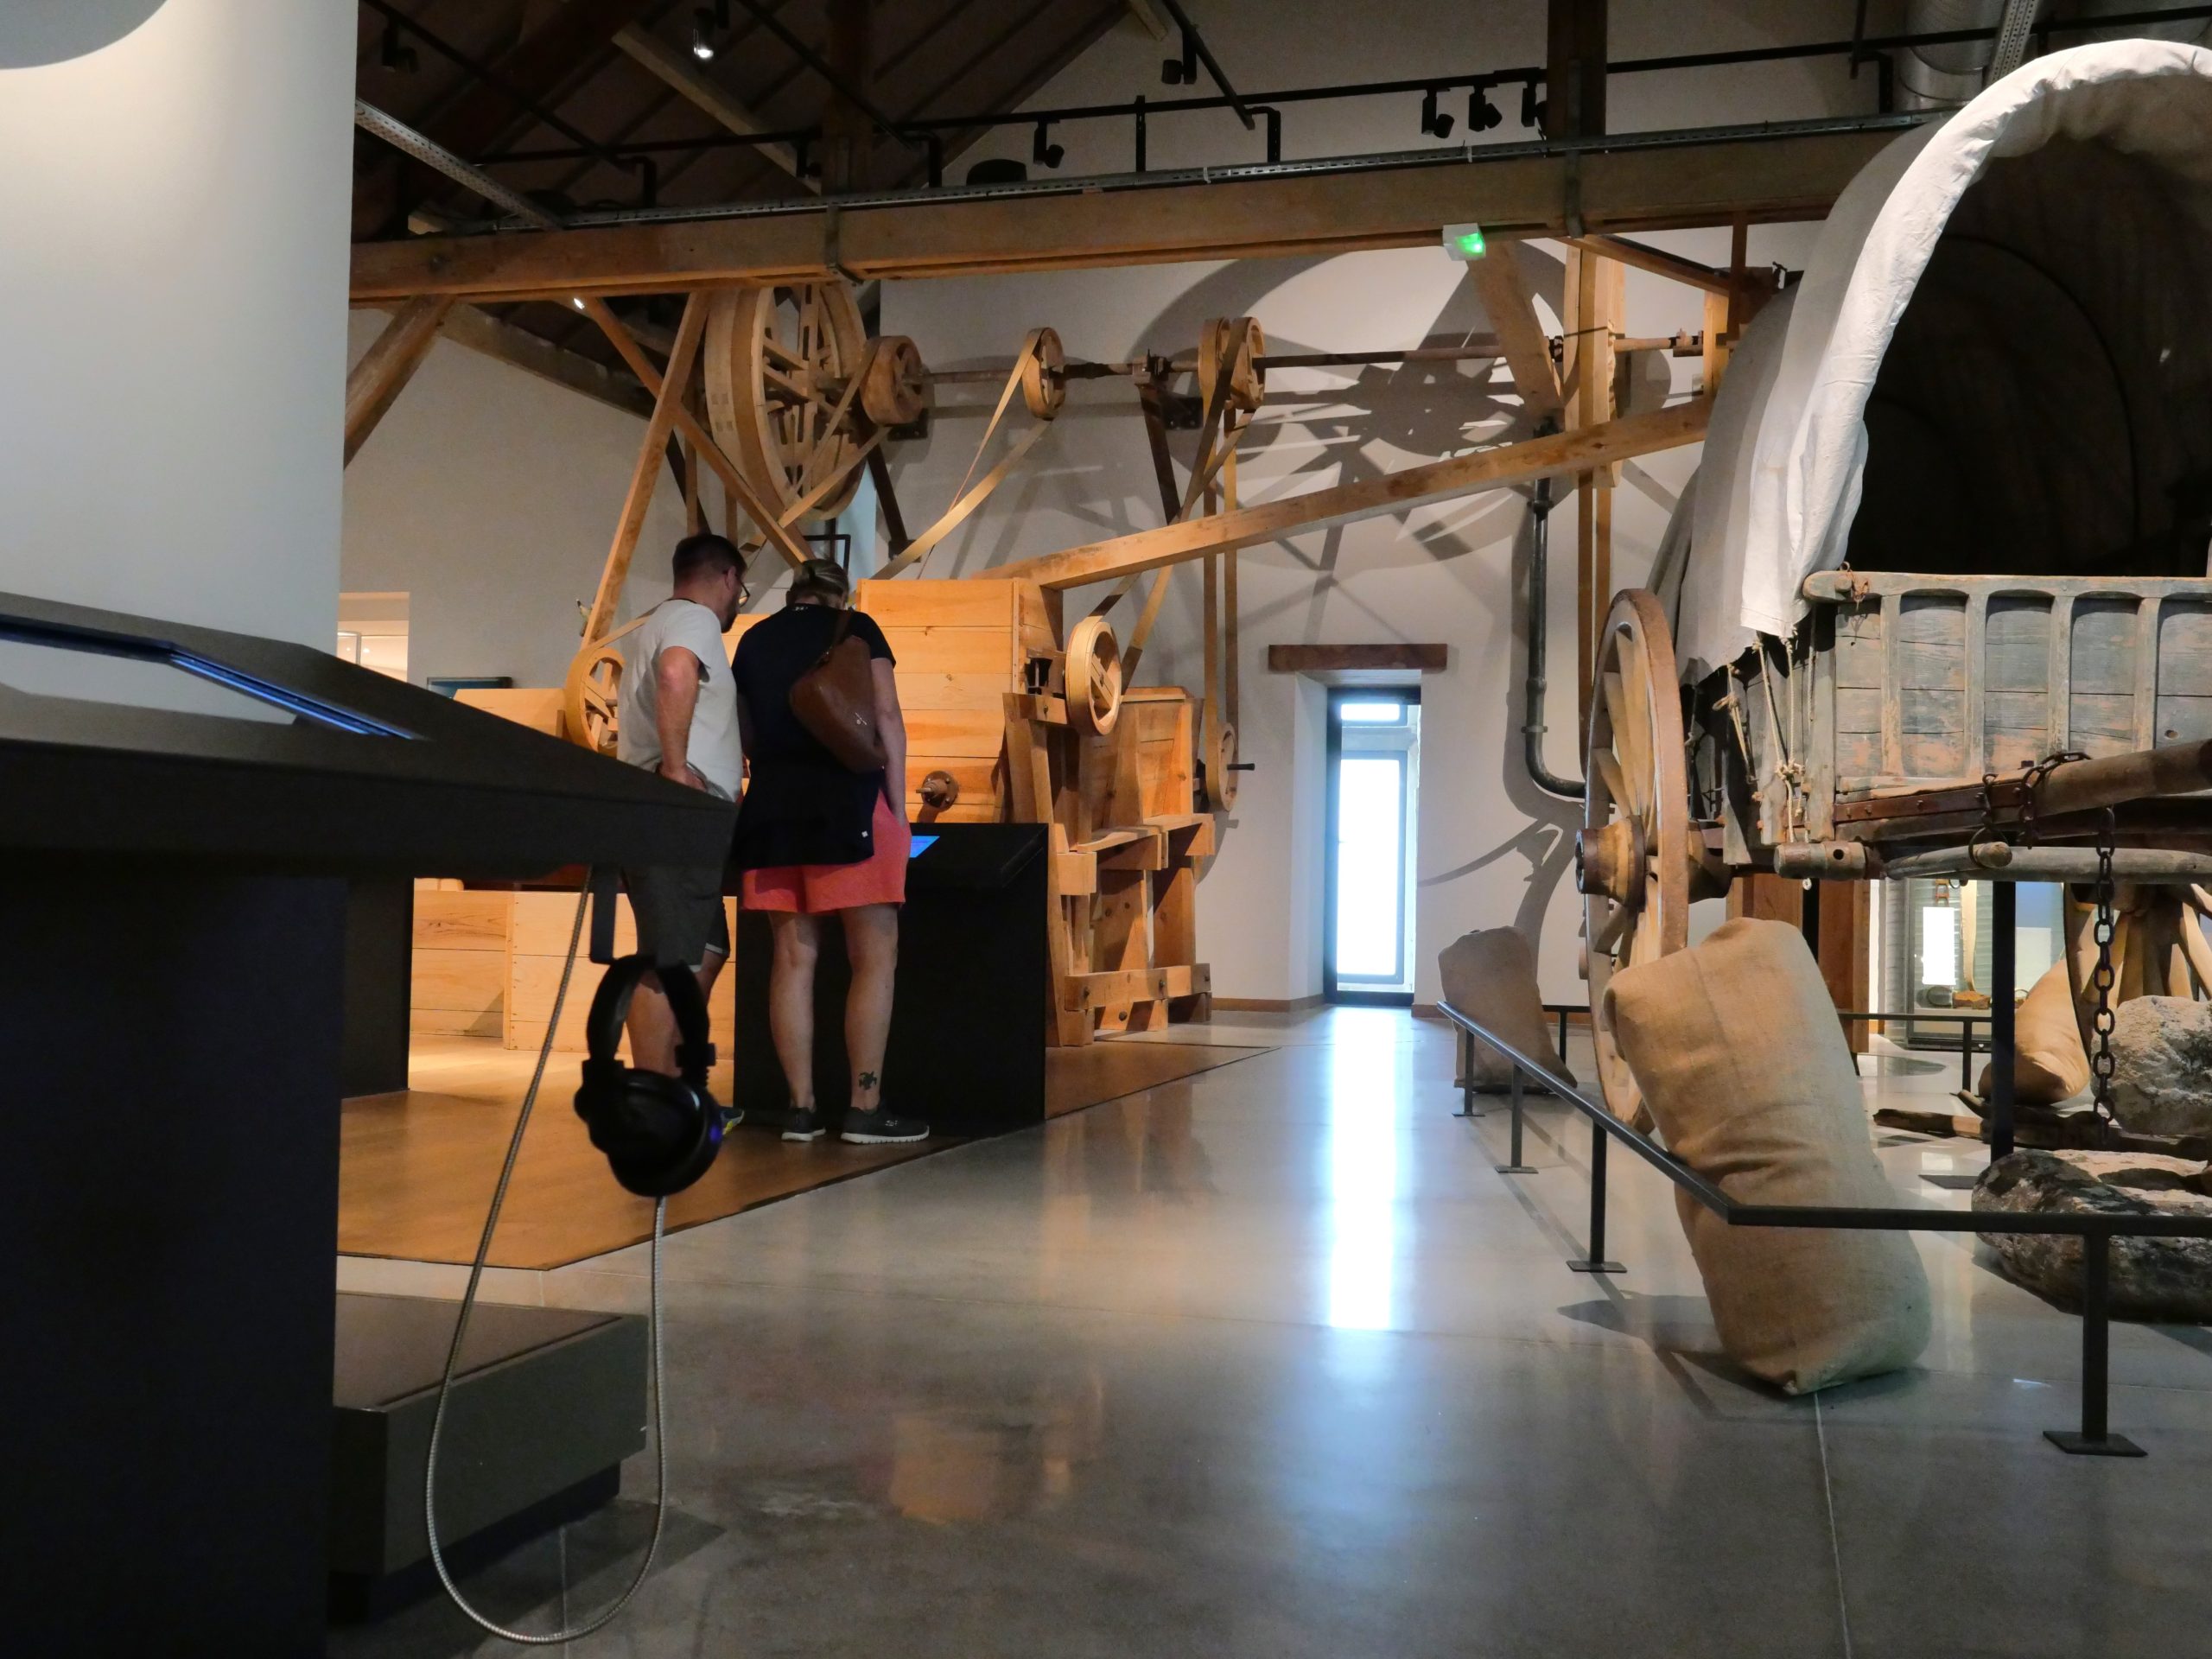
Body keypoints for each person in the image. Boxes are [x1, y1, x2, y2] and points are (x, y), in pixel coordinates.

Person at [731, 559, 925, 1145]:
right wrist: (898, 809)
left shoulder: (752, 641)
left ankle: (800, 1109)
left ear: (793, 594)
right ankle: (864, 1107)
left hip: (770, 813)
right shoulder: (858, 629)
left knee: (792, 960)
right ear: (840, 597)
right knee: (874, 959)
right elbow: (886, 717)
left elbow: (745, 736)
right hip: (850, 808)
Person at [614, 531, 746, 1084]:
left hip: (676, 814)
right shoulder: (694, 620)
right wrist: (674, 766)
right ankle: (653, 1092)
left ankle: (677, 1081)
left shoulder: (655, 625)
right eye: (741, 590)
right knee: (671, 956)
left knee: (708, 945)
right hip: (677, 811)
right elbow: (675, 674)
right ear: (727, 579)